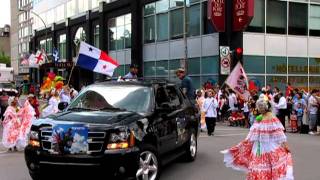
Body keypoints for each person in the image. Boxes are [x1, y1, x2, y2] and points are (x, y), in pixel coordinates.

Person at [221, 97, 294, 180]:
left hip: (268, 146)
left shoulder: (271, 118)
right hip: (260, 146)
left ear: (265, 108)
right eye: (259, 107)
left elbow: (279, 134)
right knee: (259, 165)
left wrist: (285, 145)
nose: (259, 109)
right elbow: (253, 132)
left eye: (260, 107)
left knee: (267, 165)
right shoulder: (261, 117)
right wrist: (246, 141)